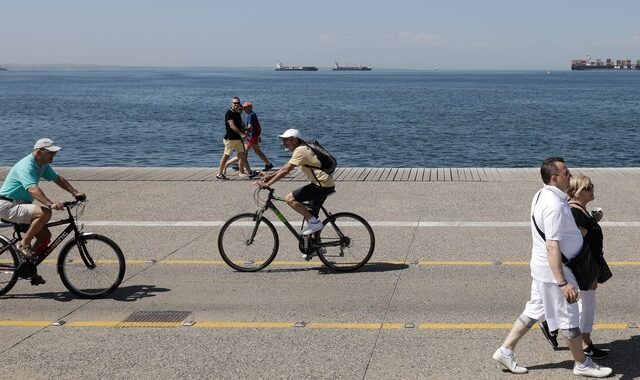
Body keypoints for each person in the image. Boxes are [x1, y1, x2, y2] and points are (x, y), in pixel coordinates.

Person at [492, 157, 612, 378]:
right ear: (555, 177)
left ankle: (505, 350)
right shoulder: (554, 205)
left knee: (535, 308)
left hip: (542, 268)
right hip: (557, 271)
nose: (570, 175)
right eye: (566, 173)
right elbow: (552, 244)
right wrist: (563, 282)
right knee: (569, 317)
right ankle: (582, 363)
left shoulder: (541, 195)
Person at [540, 175, 609, 359]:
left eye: (591, 185)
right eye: (587, 187)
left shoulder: (581, 211)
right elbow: (576, 242)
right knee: (585, 304)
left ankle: (552, 324)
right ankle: (585, 343)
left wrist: (594, 220)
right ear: (574, 192)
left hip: (588, 265)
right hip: (583, 267)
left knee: (582, 303)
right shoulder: (576, 213)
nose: (591, 189)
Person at [0, 138, 86, 285]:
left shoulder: (42, 165)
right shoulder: (26, 165)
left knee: (45, 236)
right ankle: (23, 244)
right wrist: (50, 204)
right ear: (39, 152)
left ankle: (29, 267)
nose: (54, 155)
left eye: (55, 153)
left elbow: (58, 179)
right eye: (51, 153)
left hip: (21, 205)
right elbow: (32, 189)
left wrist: (75, 192)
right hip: (8, 206)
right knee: (45, 213)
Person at [256, 128, 335, 240]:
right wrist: (269, 176)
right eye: (283, 140)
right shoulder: (303, 148)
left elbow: (286, 170)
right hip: (324, 184)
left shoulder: (300, 150)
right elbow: (285, 168)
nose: (283, 143)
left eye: (286, 140)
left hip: (321, 185)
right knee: (312, 217)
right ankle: (315, 247)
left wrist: (267, 184)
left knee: (290, 199)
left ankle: (315, 225)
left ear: (294, 140)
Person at [225, 101, 274, 173]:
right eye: (242, 109)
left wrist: (245, 136)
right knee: (254, 152)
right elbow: (255, 127)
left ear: (250, 107)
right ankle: (268, 164)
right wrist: (257, 135)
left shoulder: (250, 115)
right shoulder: (252, 114)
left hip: (250, 137)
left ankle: (234, 166)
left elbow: (250, 127)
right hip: (252, 137)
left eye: (244, 108)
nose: (243, 110)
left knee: (243, 154)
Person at [216, 97, 258, 180]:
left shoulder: (237, 114)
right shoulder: (229, 113)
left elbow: (239, 126)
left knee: (242, 156)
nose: (236, 104)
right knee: (226, 156)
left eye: (238, 103)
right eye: (235, 103)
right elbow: (232, 125)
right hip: (230, 139)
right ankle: (219, 174)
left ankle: (250, 173)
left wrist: (247, 129)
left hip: (238, 139)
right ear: (231, 103)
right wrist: (241, 134)